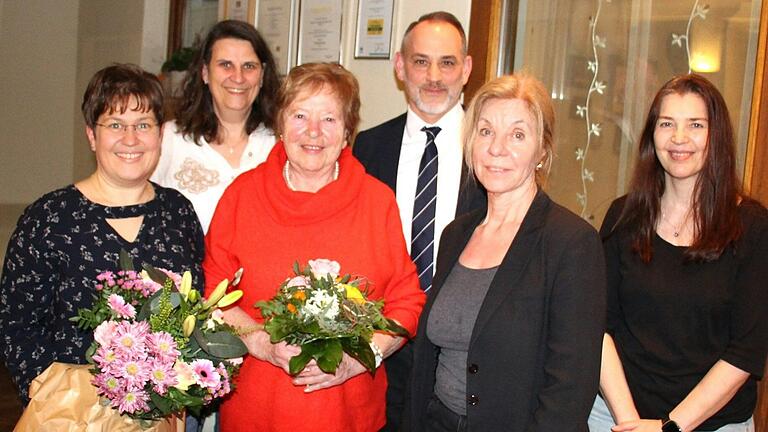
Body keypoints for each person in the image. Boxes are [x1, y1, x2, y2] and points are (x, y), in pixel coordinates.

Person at [203, 63, 426, 432]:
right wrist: (261, 342)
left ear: (347, 133)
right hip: (258, 413)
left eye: (329, 119)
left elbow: (407, 301)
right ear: (280, 124)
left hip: (349, 415)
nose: (313, 132)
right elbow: (213, 293)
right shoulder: (241, 197)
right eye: (300, 115)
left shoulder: (377, 202)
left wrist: (360, 357)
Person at [405, 74, 606, 431]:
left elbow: (570, 390)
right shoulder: (457, 234)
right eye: (485, 131)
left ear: (542, 149)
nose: (497, 148)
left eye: (517, 134)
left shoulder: (571, 243)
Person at [0, 64, 205, 403]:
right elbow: (16, 327)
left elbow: (196, 311)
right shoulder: (49, 219)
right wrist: (59, 395)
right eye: (115, 124)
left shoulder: (178, 213)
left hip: (161, 414)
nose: (131, 139)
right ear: (92, 136)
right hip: (72, 414)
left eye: (143, 125)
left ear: (159, 134)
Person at [589, 74, 768, 432]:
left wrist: (669, 427)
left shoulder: (752, 227)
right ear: (651, 136)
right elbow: (598, 327)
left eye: (696, 124)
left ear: (716, 137)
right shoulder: (623, 216)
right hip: (614, 416)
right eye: (667, 123)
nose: (679, 138)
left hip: (711, 424)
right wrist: (629, 422)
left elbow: (744, 353)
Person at [352, 12, 486, 429]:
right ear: (399, 66)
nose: (433, 76)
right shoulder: (367, 148)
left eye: (447, 62)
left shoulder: (491, 150)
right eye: (420, 61)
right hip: (381, 351)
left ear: (465, 69)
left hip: (464, 352)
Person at [152, 20, 279, 232]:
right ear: (204, 72)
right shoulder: (169, 139)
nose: (238, 77)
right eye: (225, 65)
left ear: (263, 74)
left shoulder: (280, 143)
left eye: (249, 66)